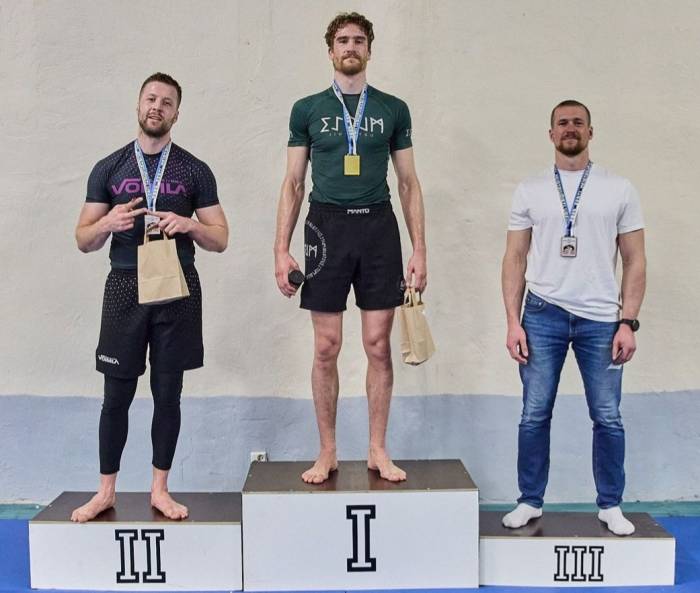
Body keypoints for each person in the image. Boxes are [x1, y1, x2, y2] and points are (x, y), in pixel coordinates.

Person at [274, 12, 427, 484]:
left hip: (378, 228)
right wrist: (280, 249)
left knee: (378, 345)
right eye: (342, 40)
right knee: (327, 346)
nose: (351, 47)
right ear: (330, 50)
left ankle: (378, 449)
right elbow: (293, 182)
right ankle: (327, 452)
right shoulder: (307, 109)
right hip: (326, 229)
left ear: (369, 50)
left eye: (359, 40)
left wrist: (420, 249)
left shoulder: (393, 109)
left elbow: (408, 183)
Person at [72, 73, 228, 522]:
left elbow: (221, 238)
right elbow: (83, 238)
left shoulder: (194, 170)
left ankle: (160, 489)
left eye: (167, 102)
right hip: (124, 287)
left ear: (177, 114)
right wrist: (108, 223)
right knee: (115, 396)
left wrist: (191, 225)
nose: (157, 107)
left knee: (167, 394)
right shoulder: (110, 168)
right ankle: (106, 491)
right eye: (151, 99)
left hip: (176, 289)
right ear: (138, 105)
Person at [501, 100, 646, 535]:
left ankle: (611, 505)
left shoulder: (619, 188)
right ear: (550, 134)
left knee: (607, 416)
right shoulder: (530, 189)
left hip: (600, 318)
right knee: (534, 413)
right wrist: (513, 321)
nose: (570, 128)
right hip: (542, 313)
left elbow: (635, 260)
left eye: (578, 123)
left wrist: (628, 322)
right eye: (562, 123)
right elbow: (514, 258)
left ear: (590, 132)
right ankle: (529, 500)